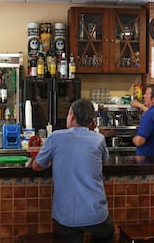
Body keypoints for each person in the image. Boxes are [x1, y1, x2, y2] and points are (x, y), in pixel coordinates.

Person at [32, 99, 114, 243]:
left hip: (66, 217)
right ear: (91, 120)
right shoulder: (99, 139)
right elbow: (102, 163)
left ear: (72, 116)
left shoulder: (55, 137)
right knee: (107, 233)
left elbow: (37, 166)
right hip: (96, 214)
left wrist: (53, 160)